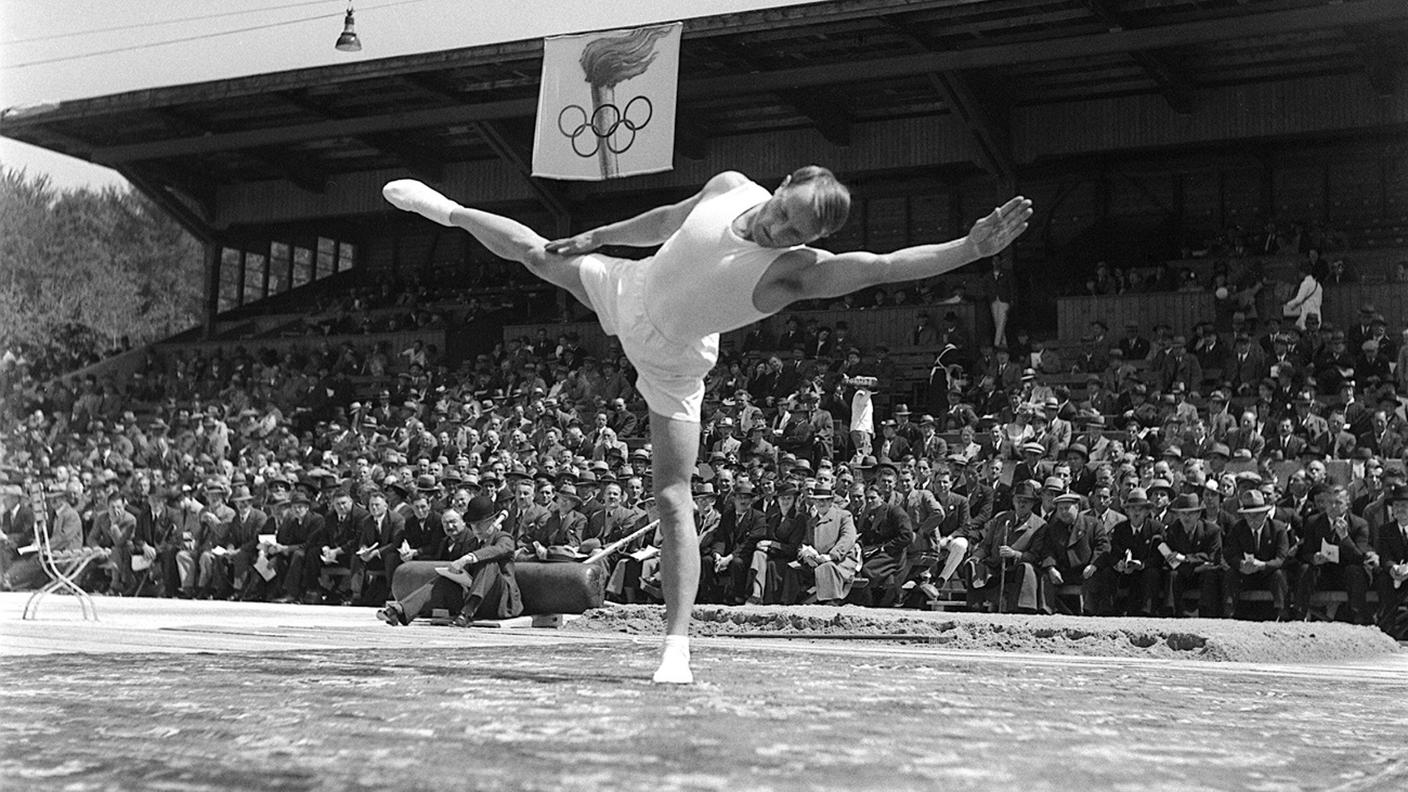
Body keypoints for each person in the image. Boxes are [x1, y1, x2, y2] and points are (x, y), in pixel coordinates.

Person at [383, 167, 1031, 683]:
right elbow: (668, 219)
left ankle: (676, 646)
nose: (779, 229)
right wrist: (595, 235)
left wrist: (967, 249)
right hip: (627, 287)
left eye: (794, 230)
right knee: (532, 252)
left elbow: (885, 266)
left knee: (672, 498)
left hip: (674, 362)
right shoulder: (729, 187)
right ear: (779, 187)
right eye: (783, 212)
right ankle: (442, 209)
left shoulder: (795, 270)